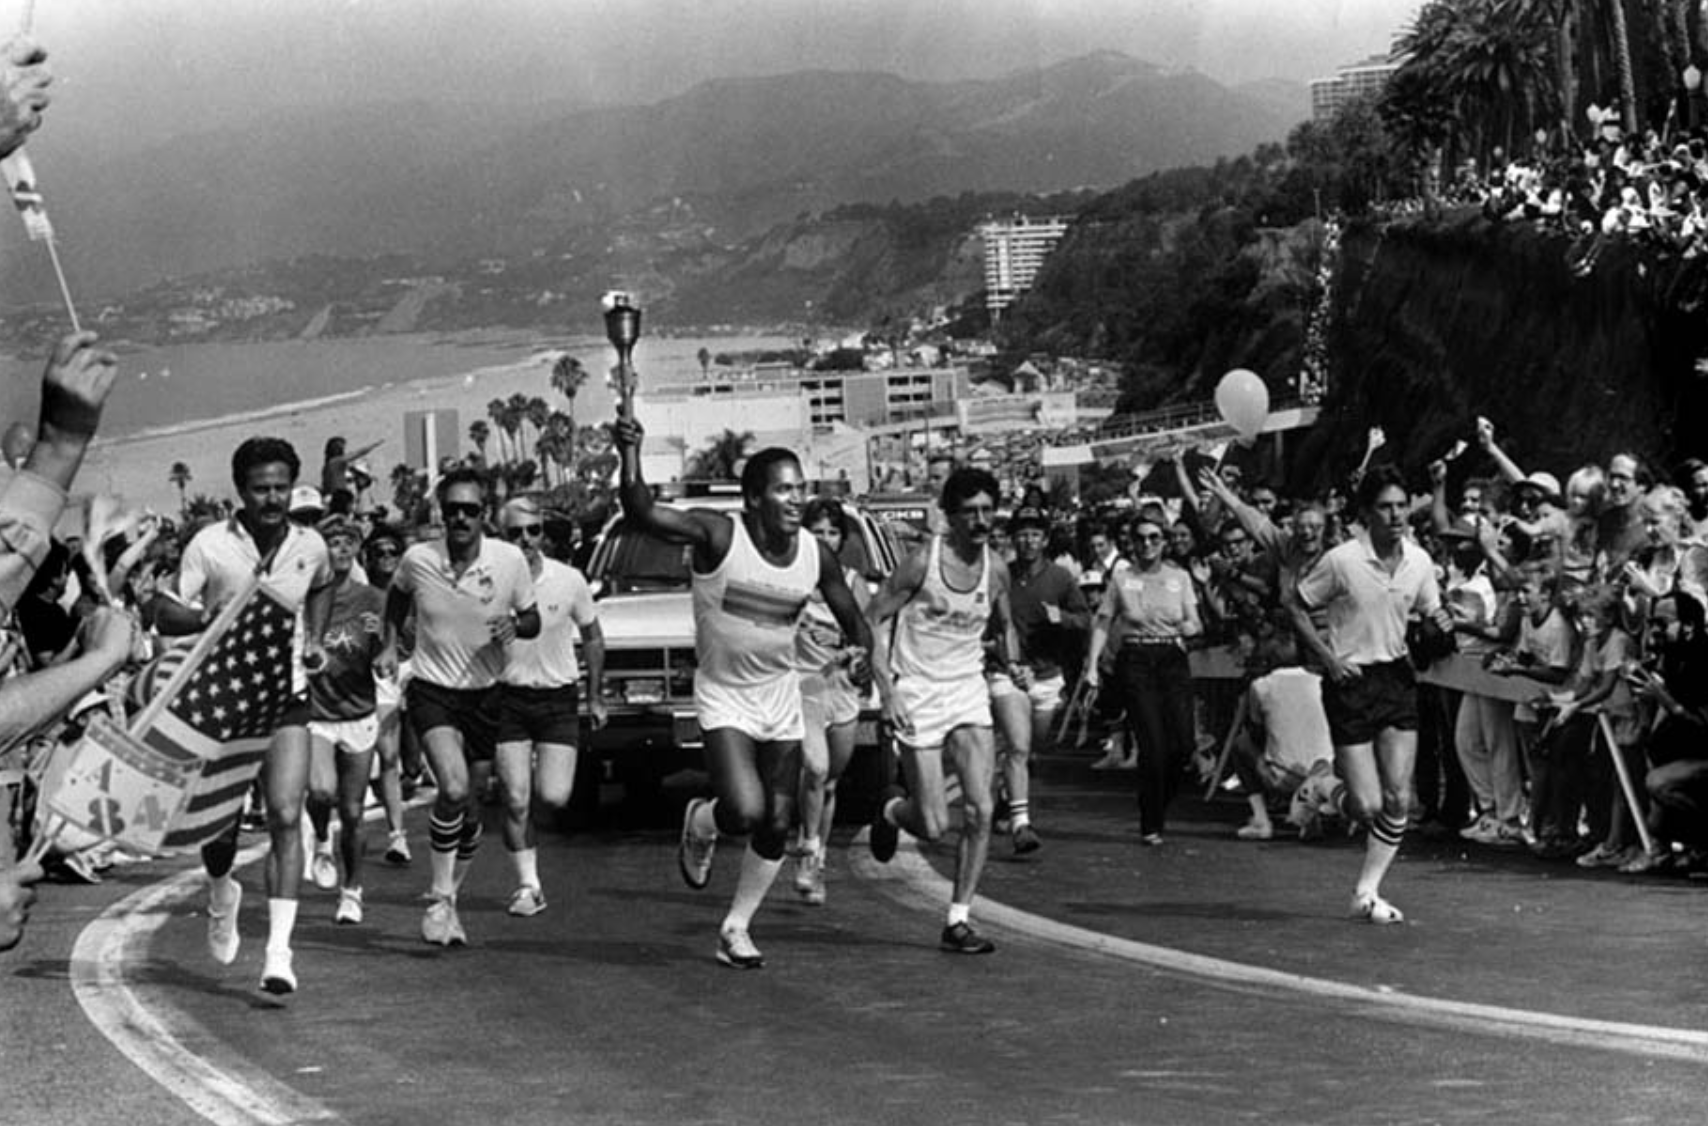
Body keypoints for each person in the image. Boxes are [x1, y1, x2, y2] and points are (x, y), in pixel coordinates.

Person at [614, 418, 870, 969]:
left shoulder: (815, 555)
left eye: (800, 488)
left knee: (779, 822)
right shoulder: (718, 535)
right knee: (745, 809)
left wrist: (863, 652)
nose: (795, 500)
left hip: (780, 696)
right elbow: (642, 513)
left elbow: (853, 616)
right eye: (782, 489)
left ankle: (735, 927)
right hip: (725, 694)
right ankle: (702, 822)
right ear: (754, 499)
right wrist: (629, 455)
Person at [152, 437, 335, 993]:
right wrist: (203, 622)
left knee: (285, 812)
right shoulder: (209, 546)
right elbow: (162, 608)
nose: (272, 499)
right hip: (224, 703)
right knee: (221, 833)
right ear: (241, 492)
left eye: (281, 487)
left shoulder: (311, 544)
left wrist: (318, 639)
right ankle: (221, 889)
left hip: (286, 699)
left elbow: (321, 585)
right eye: (261, 489)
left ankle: (279, 953)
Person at [381, 468, 539, 946]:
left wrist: (516, 627)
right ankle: (439, 896)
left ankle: (450, 898)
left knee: (471, 806)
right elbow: (396, 598)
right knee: (450, 787)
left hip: (488, 694)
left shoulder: (509, 560)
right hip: (434, 691)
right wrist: (389, 645)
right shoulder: (418, 559)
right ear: (441, 514)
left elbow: (531, 616)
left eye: (471, 510)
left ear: (484, 515)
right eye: (453, 511)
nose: (461, 519)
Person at [867, 466, 1021, 955]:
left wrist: (1013, 663)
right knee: (933, 825)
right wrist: (886, 692)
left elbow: (1005, 621)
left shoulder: (997, 568)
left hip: (966, 691)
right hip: (919, 692)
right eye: (970, 511)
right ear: (950, 517)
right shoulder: (921, 563)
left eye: (987, 510)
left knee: (981, 809)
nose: (980, 520)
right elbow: (873, 620)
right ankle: (892, 810)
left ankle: (957, 920)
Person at [1290, 467, 1451, 925]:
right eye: (1386, 506)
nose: (1396, 514)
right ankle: (1321, 787)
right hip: (1351, 681)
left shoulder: (1419, 561)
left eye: (1402, 505)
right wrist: (1327, 657)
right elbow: (1296, 604)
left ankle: (1367, 890)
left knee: (1400, 798)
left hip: (1396, 678)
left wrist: (1442, 621)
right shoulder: (1342, 560)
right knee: (1367, 806)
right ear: (1367, 513)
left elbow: (1431, 609)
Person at [494, 496, 605, 918]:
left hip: (558, 697)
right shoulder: (489, 581)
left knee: (554, 796)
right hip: (508, 699)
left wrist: (595, 695)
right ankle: (528, 884)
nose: (525, 540)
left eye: (532, 531)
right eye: (514, 533)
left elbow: (592, 636)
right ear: (500, 536)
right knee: (516, 798)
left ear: (543, 533)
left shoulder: (569, 579)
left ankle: (530, 869)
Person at [1082, 512, 1202, 845]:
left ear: (1164, 542)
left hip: (1171, 658)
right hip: (1136, 658)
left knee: (1183, 745)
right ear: (1131, 544)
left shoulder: (1180, 578)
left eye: (1154, 538)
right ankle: (1151, 821)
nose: (1147, 545)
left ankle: (1159, 801)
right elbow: (1104, 622)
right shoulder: (1121, 579)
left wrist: (1191, 627)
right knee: (1153, 744)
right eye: (1140, 539)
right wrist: (1092, 666)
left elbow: (1194, 621)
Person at [301, 516, 386, 925]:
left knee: (352, 812)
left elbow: (391, 655)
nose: (341, 550)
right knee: (320, 791)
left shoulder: (372, 597)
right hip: (317, 713)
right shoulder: (306, 597)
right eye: (332, 542)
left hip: (359, 713)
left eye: (347, 543)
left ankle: (352, 890)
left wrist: (383, 642)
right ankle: (319, 838)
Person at [991, 505, 1089, 854]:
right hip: (1009, 673)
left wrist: (1060, 617)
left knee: (1033, 747)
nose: (1028, 540)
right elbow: (989, 625)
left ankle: (1008, 794)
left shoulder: (1061, 578)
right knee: (1017, 746)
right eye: (1021, 533)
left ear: (1045, 539)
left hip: (1047, 676)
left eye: (1034, 533)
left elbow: (1085, 620)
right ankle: (1022, 824)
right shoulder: (1002, 574)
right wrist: (1003, 657)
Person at [791, 497, 869, 906]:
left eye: (832, 532)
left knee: (831, 779)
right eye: (817, 531)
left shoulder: (852, 581)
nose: (824, 539)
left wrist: (856, 658)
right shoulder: (794, 579)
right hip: (803, 687)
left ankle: (817, 855)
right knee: (816, 769)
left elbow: (867, 633)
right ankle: (806, 850)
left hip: (842, 690)